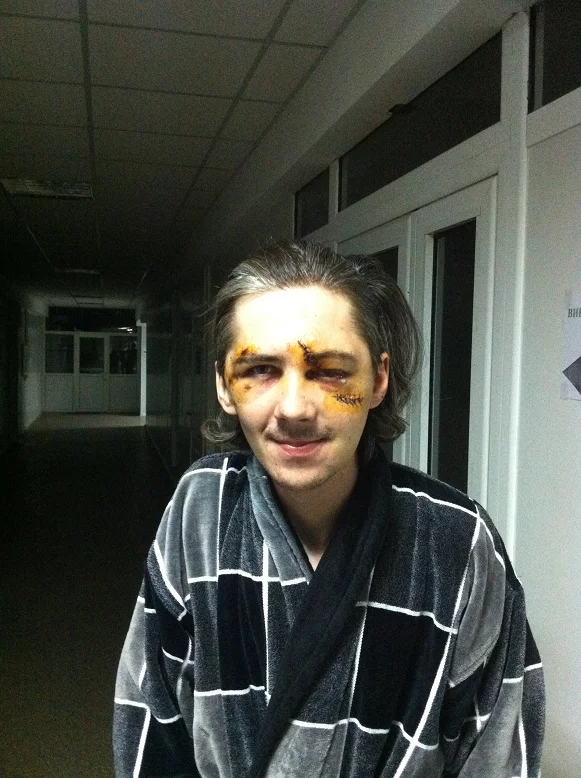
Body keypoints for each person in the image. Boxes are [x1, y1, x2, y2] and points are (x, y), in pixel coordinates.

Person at [113, 240, 545, 777]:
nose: (295, 408)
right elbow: (151, 716)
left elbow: (497, 751)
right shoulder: (200, 512)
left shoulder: (456, 542)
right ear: (225, 385)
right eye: (261, 370)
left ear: (378, 380)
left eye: (331, 372)